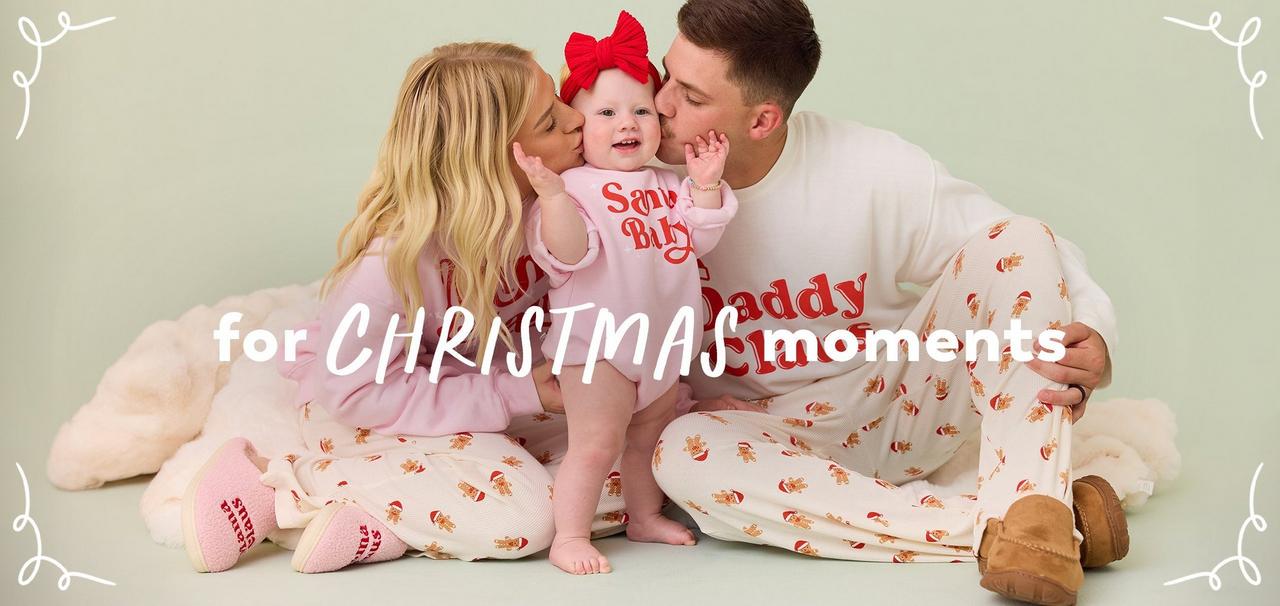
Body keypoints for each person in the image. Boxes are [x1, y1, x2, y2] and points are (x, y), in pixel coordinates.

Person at [646, 1, 1126, 604]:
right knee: (681, 454)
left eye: (691, 98)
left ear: (763, 120)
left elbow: (1024, 246)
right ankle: (1032, 522)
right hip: (754, 432)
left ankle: (1029, 503)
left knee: (1016, 238)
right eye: (665, 75)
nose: (660, 104)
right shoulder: (630, 176)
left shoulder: (868, 167)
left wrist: (1094, 334)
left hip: (893, 400)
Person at [181, 41, 595, 574]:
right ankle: (282, 483)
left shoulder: (562, 207)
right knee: (533, 520)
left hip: (493, 405)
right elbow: (355, 390)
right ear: (489, 158)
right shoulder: (396, 261)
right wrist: (513, 390)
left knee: (620, 469)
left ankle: (384, 521)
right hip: (368, 411)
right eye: (550, 122)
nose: (577, 119)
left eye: (562, 102)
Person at [512, 11, 736, 574]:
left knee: (646, 441)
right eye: (605, 113)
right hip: (599, 349)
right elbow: (567, 255)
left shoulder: (667, 184)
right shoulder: (573, 189)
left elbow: (699, 239)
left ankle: (641, 516)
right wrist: (555, 198)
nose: (626, 123)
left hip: (661, 347)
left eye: (640, 110)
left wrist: (705, 186)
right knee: (595, 445)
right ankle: (568, 535)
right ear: (576, 128)